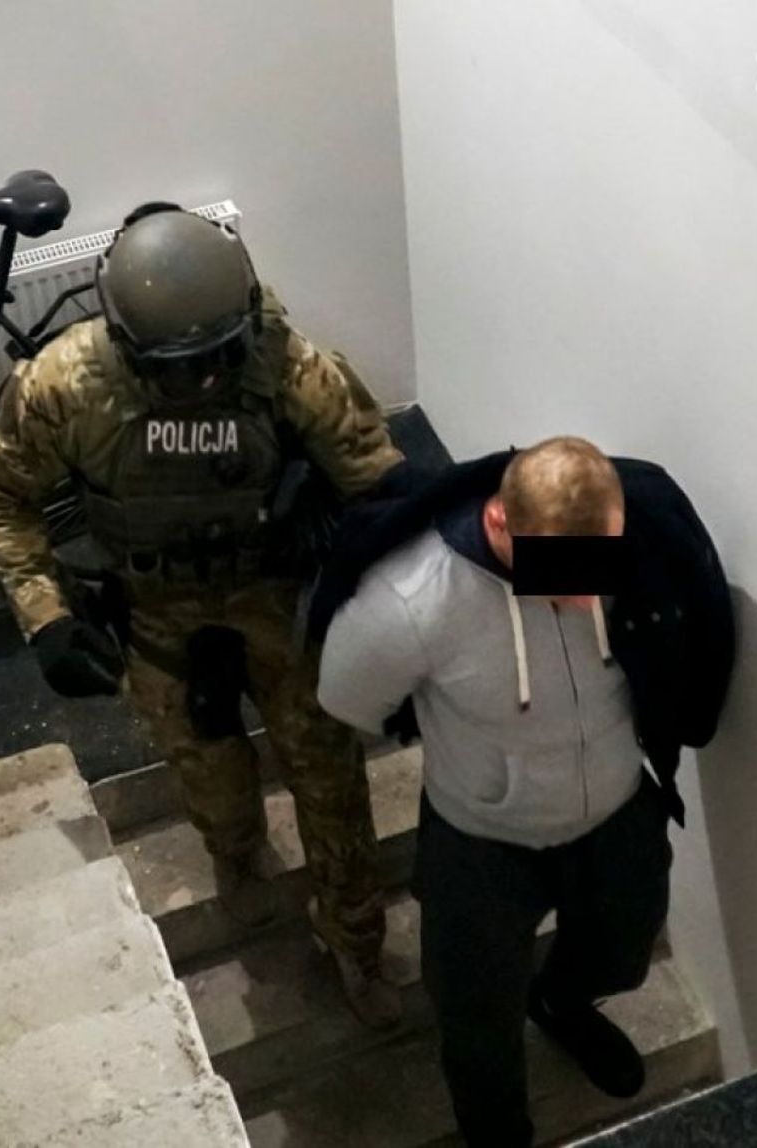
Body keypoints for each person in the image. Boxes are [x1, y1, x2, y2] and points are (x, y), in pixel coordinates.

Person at [0, 203, 409, 1026]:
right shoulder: (62, 387)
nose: (203, 384)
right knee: (208, 771)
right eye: (176, 369)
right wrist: (45, 614)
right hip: (158, 610)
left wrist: (386, 608)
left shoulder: (291, 369)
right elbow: (2, 500)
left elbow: (382, 487)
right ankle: (236, 855)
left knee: (329, 776)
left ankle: (356, 939)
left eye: (217, 361)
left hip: (276, 596)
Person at [312, 435, 734, 1146]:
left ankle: (561, 1002)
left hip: (614, 807)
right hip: (481, 836)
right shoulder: (410, 602)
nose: (584, 595)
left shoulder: (637, 535)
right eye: (562, 572)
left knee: (623, 952)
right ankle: (497, 1133)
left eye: (597, 566)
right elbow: (347, 699)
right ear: (500, 521)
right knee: (474, 1014)